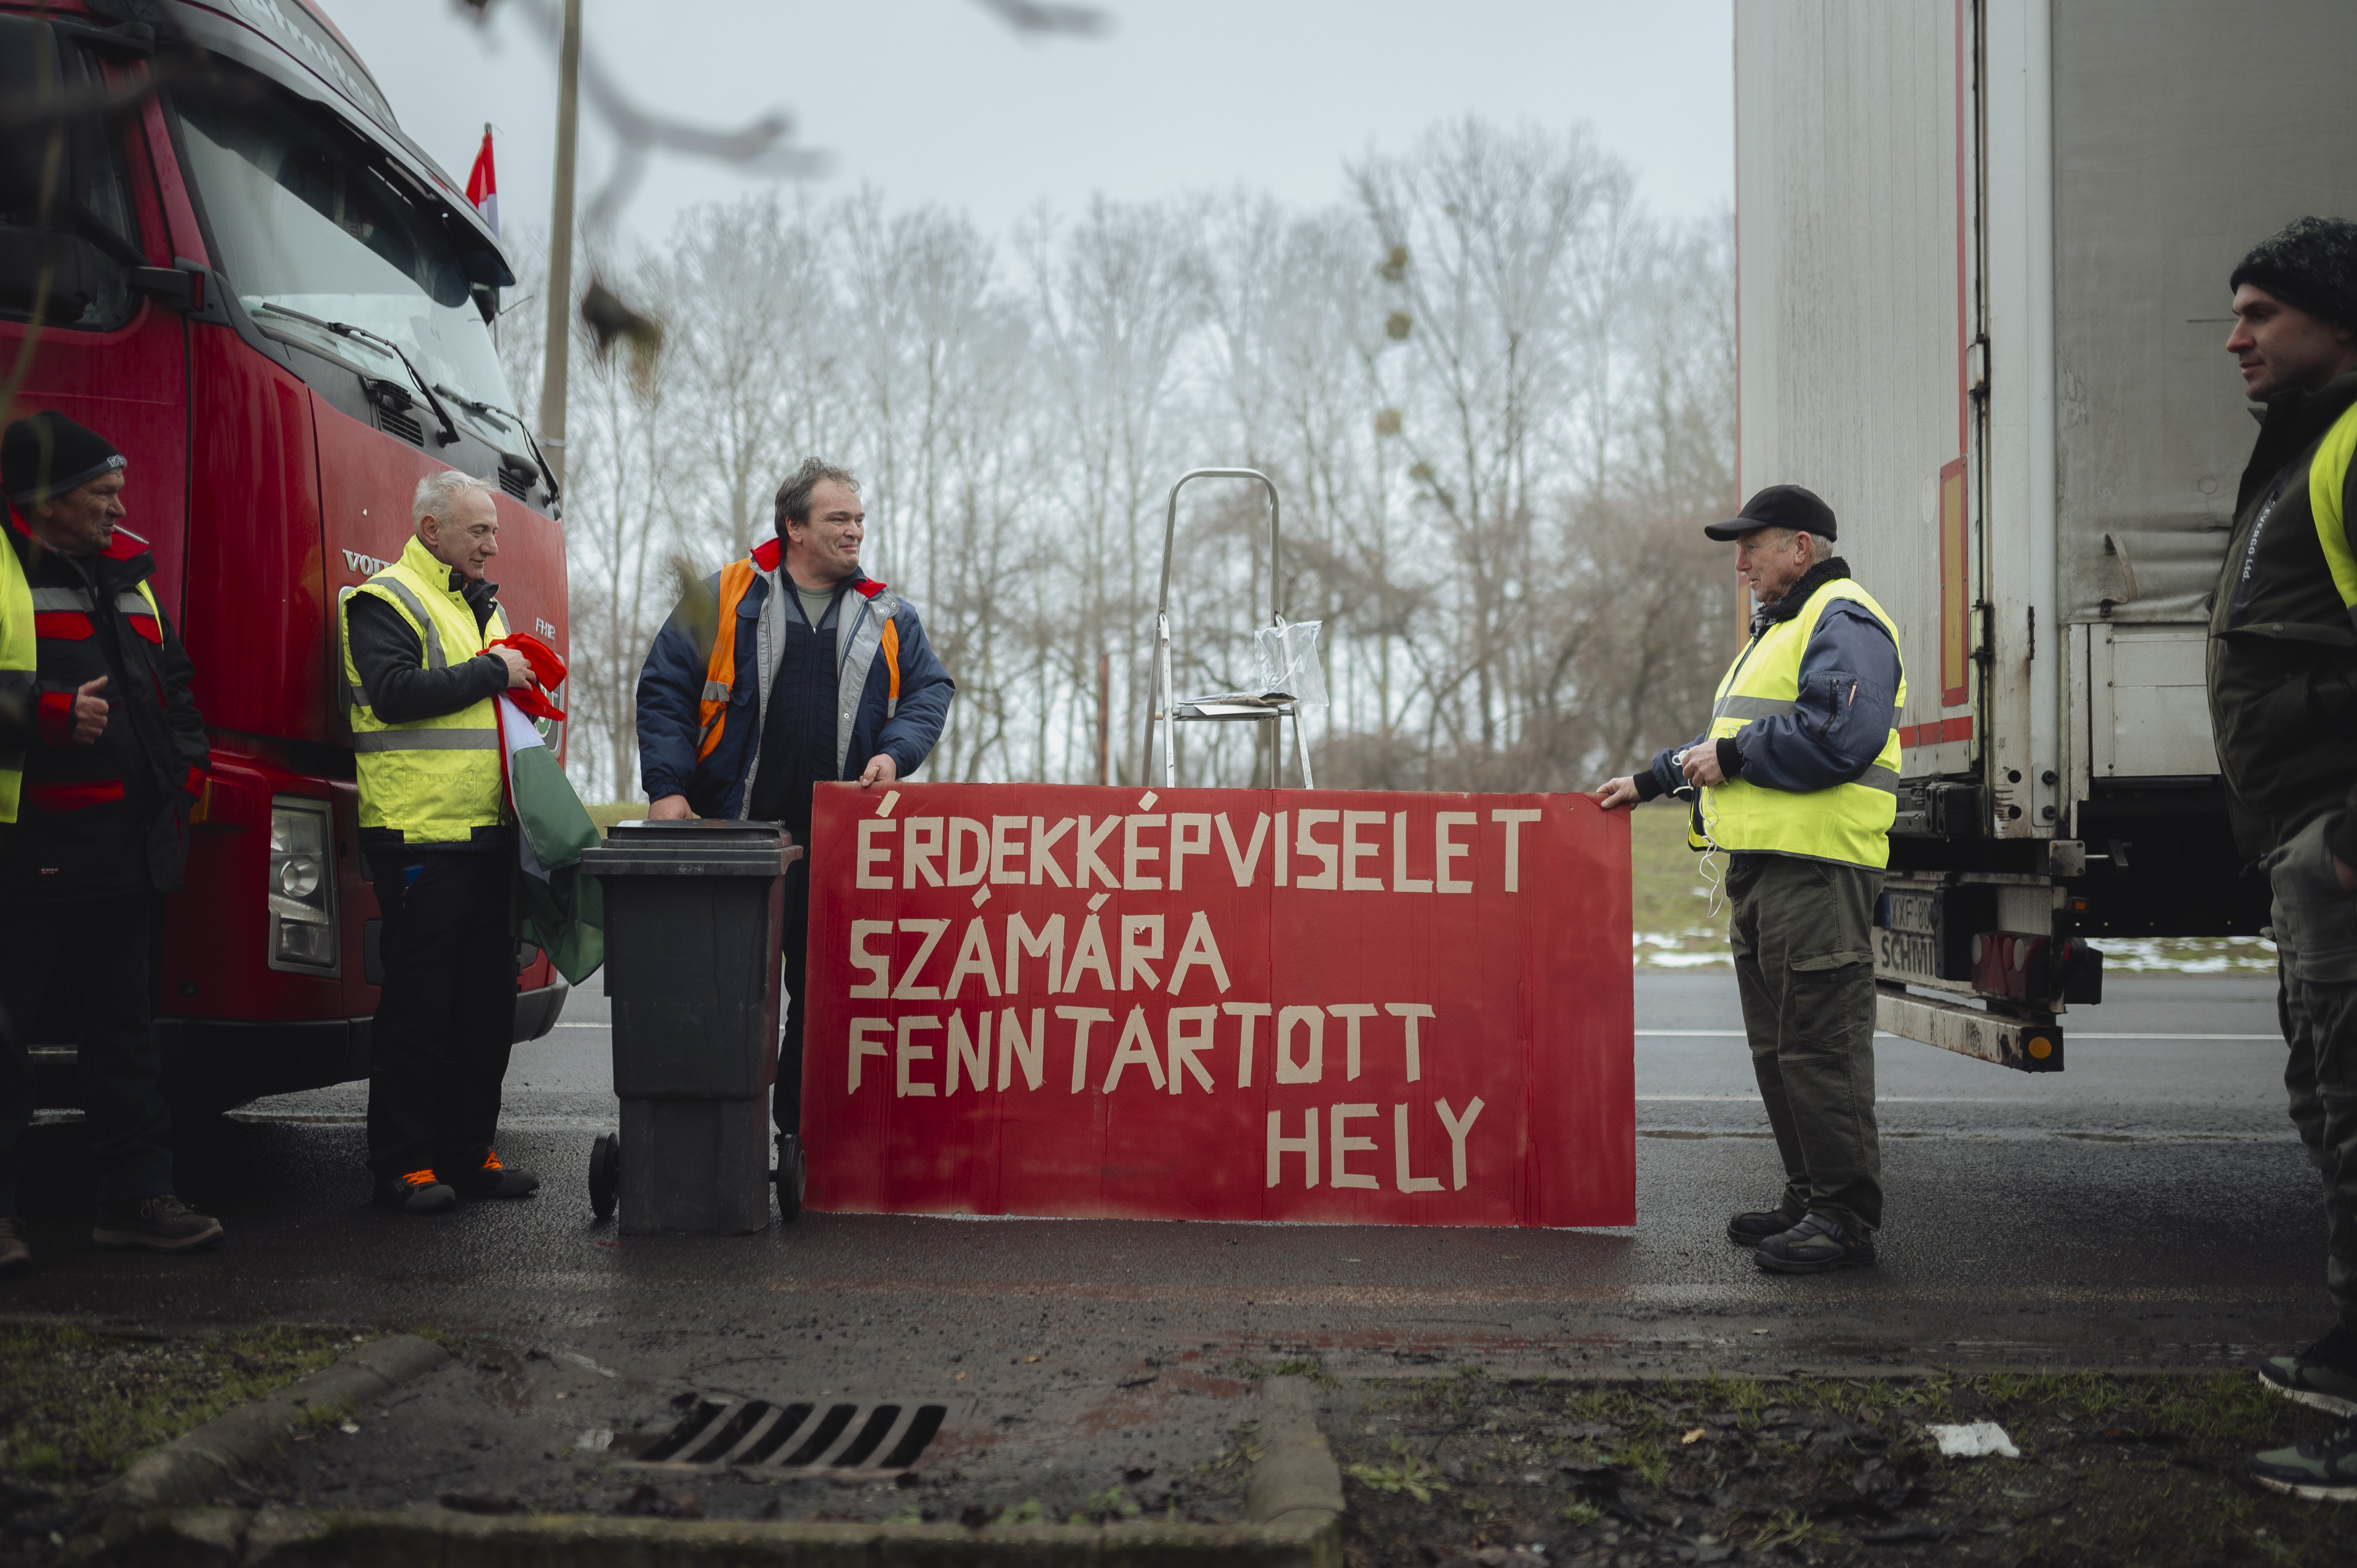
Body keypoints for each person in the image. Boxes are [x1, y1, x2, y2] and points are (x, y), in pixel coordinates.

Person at [1596, 484, 1904, 1275]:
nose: (1741, 564)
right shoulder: (1785, 629)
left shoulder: (1844, 617)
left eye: (1753, 546)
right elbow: (1724, 738)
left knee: (1819, 1047)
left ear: (1802, 547)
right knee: (1779, 1049)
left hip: (1817, 869)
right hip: (1767, 874)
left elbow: (1842, 730)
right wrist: (1653, 778)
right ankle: (1809, 1195)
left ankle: (1844, 1218)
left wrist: (1732, 758)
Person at [636, 458, 953, 1213]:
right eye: (839, 519)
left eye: (860, 519)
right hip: (731, 837)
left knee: (818, 998)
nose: (855, 532)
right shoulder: (719, 597)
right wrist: (669, 791)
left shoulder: (888, 614)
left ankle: (793, 1138)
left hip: (834, 844)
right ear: (795, 527)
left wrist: (894, 751)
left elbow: (932, 691)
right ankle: (719, 1137)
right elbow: (666, 690)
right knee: (727, 993)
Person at [2199, 217, 2357, 1502]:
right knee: (2328, 1106)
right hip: (2303, 848)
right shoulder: (2302, 444)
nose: (2238, 338)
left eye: (2263, 313)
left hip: (2343, 845)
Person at [0, 411, 219, 1274]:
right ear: (48, 501)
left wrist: (189, 771)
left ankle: (135, 1200)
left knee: (127, 1038)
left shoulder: (130, 568)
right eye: (101, 490)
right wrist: (48, 714)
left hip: (125, 851)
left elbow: (173, 684)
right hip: (23, 852)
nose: (118, 502)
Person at [342, 469, 543, 1214]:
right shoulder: (385, 598)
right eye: (480, 531)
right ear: (433, 532)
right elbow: (393, 694)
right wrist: (495, 669)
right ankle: (403, 1165)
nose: (494, 544)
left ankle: (467, 1153)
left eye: (494, 529)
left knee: (486, 1010)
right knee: (420, 1012)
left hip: (489, 837)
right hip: (422, 836)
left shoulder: (479, 605)